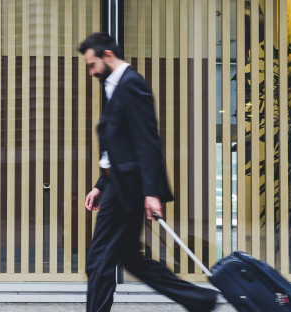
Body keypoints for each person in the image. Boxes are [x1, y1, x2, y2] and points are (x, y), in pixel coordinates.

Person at [78, 32, 218, 312]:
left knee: (99, 261)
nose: (91, 71)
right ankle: (200, 300)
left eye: (92, 64)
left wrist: (151, 192)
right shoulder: (115, 85)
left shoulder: (130, 84)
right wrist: (100, 185)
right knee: (130, 258)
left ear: (107, 56)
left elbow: (146, 141)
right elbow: (118, 148)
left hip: (126, 189)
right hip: (117, 185)